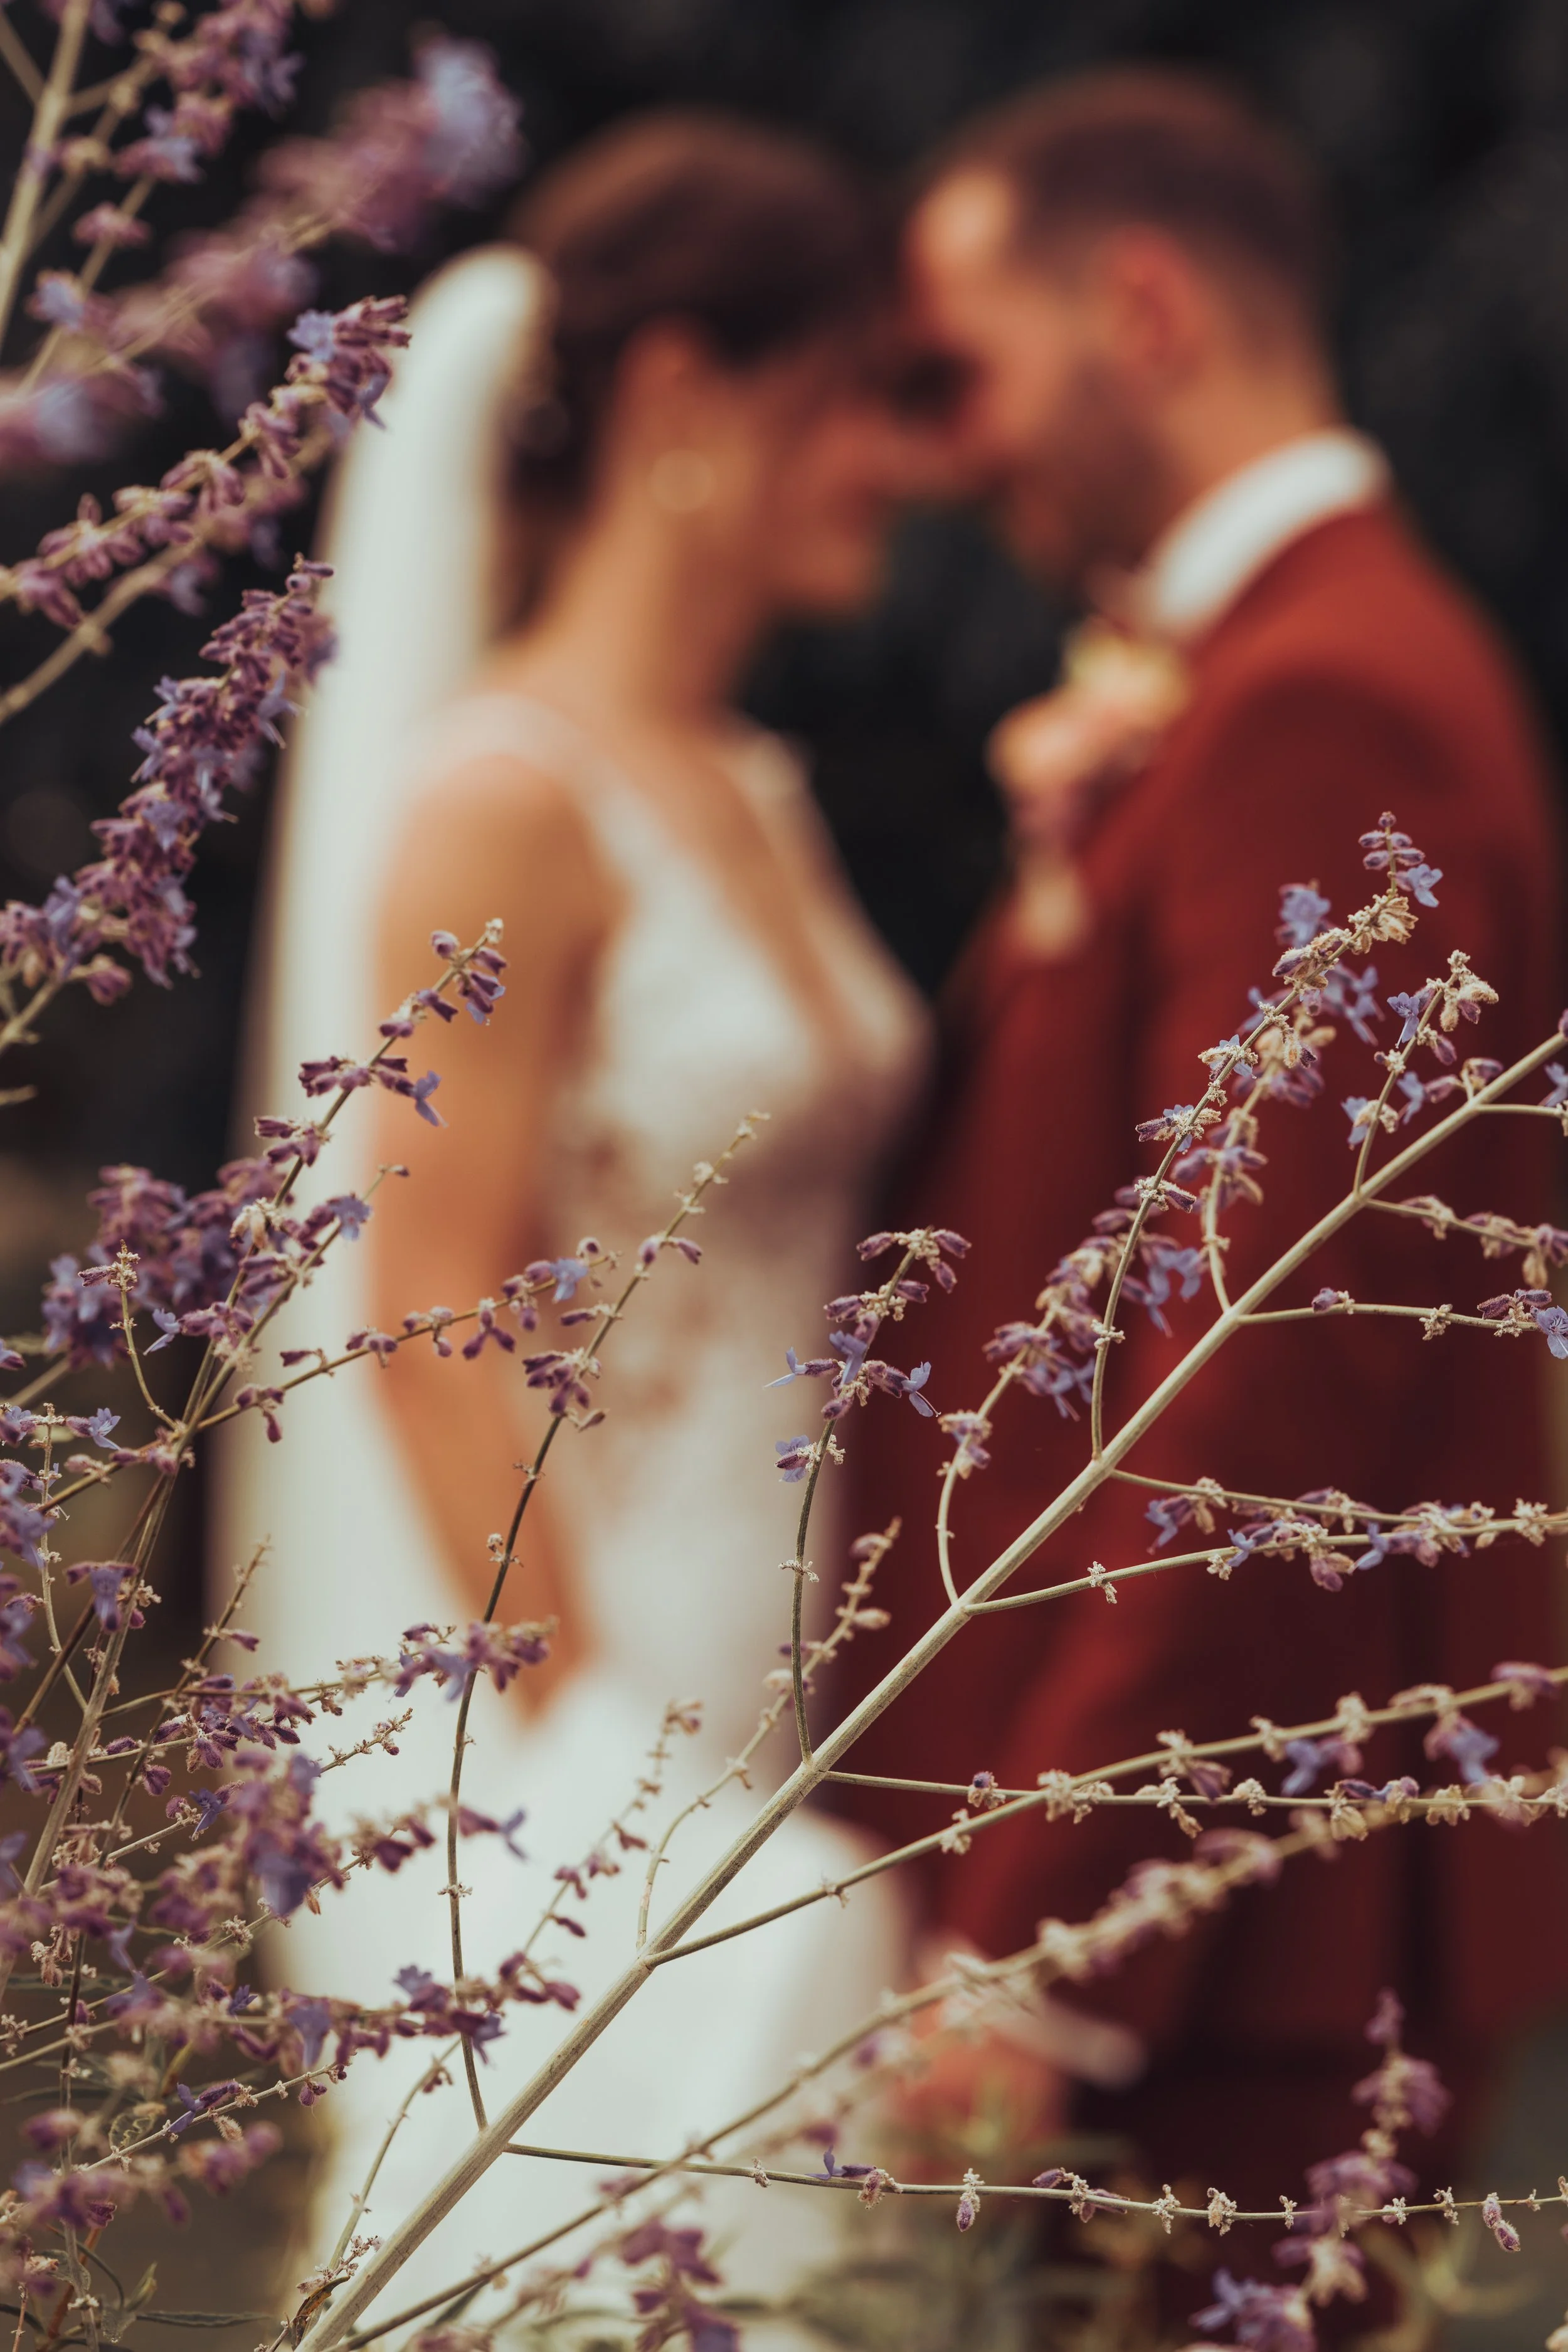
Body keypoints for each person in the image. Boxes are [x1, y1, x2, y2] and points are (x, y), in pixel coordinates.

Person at [830, 67, 1568, 2213]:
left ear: (1137, 305)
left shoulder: (1323, 697)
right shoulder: (1267, 672)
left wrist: (1056, 1922)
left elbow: (1272, 1350)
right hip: (1222, 1884)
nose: (951, 445)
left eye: (965, 364)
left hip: (1256, 1910)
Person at [221, 115, 933, 2306]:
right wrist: (592, 1756)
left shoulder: (747, 779)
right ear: (684, 402)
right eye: (863, 399)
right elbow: (425, 1316)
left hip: (778, 1646)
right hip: (587, 1696)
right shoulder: (504, 804)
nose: (900, 468)